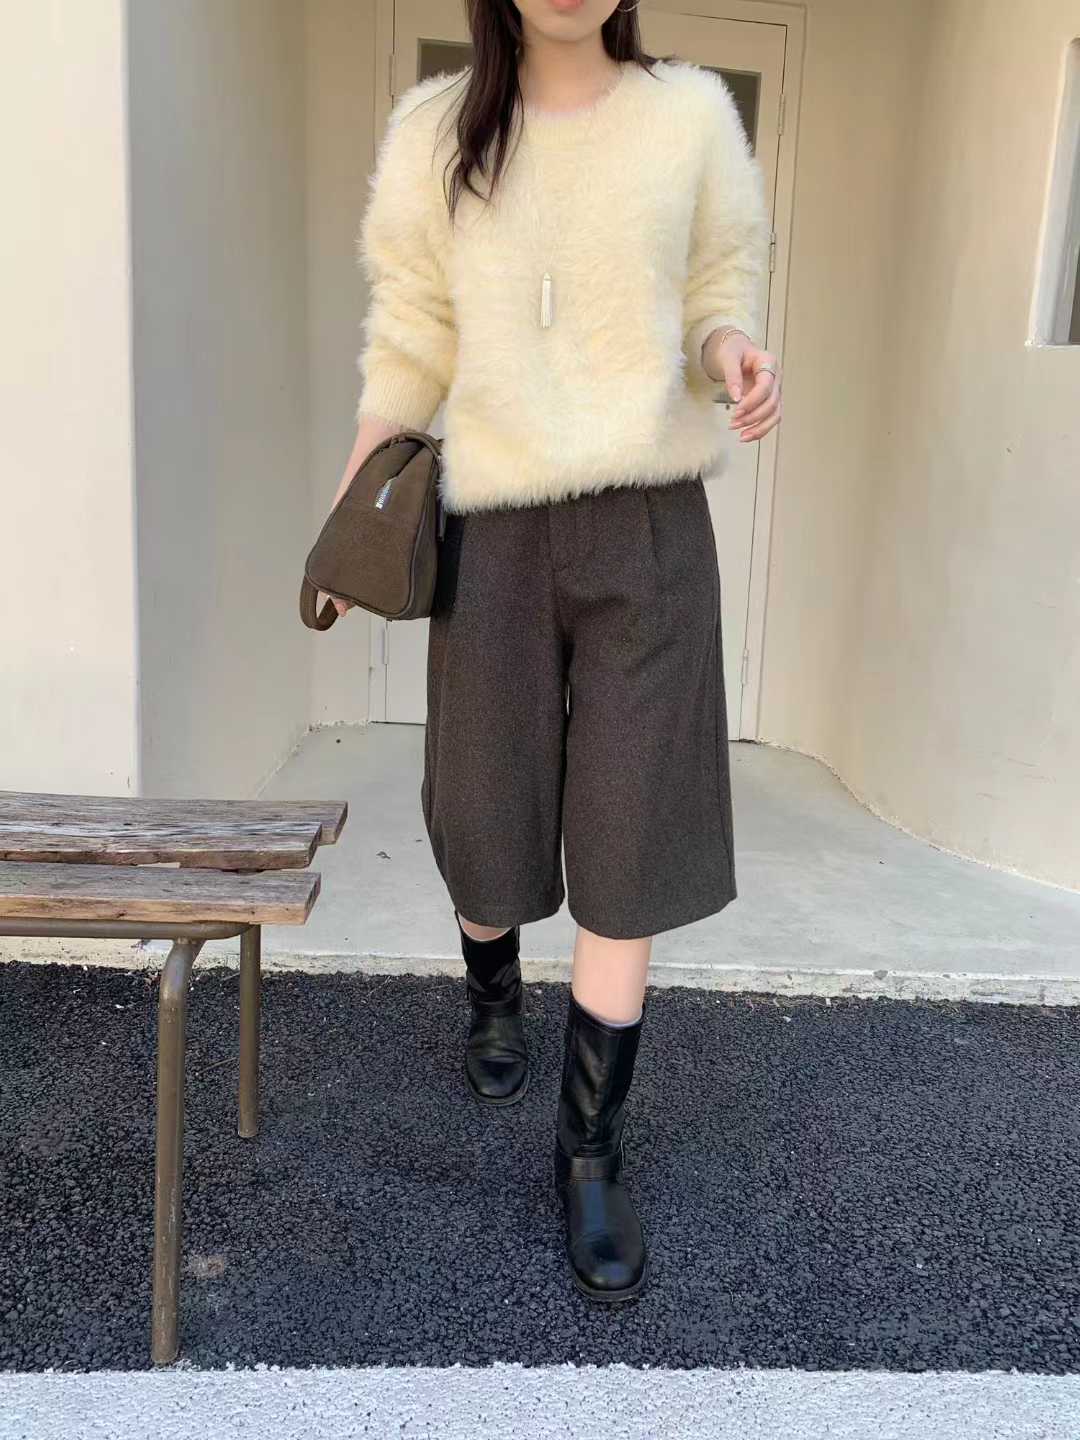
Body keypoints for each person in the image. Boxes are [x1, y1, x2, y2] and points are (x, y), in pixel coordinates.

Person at [325, 0, 782, 1303]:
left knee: (631, 836)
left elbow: (714, 288)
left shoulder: (689, 117)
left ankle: (589, 1150)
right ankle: (492, 994)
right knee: (485, 811)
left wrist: (730, 349)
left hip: (649, 525)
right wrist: (346, 516)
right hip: (496, 526)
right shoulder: (435, 130)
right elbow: (412, 334)